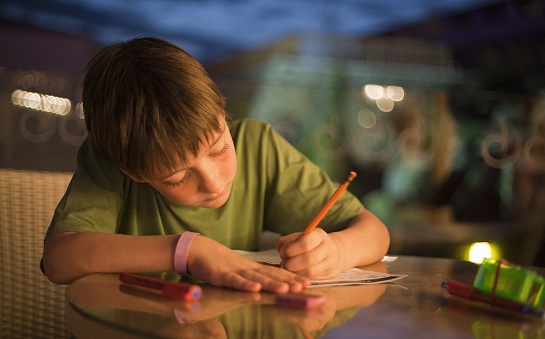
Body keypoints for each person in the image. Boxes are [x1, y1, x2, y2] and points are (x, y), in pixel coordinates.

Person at [41, 37, 390, 294]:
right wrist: (187, 250)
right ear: (134, 173)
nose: (213, 182)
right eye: (177, 178)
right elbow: (60, 259)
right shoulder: (111, 159)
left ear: (222, 114)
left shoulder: (258, 146)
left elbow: (374, 231)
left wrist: (337, 251)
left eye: (220, 148)